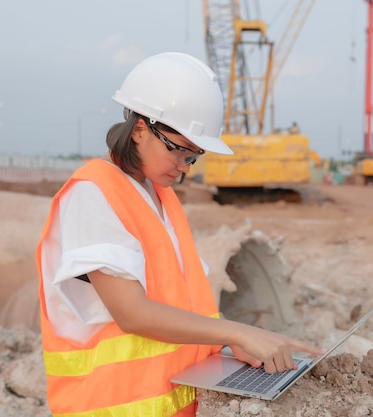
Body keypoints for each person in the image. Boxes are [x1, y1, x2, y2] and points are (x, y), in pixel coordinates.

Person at [36, 52, 323, 417]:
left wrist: (225, 346)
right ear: (140, 129)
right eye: (180, 151)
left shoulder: (159, 195)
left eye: (194, 156)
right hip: (112, 407)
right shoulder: (92, 194)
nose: (185, 167)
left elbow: (181, 300)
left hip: (171, 401)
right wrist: (236, 333)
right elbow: (133, 314)